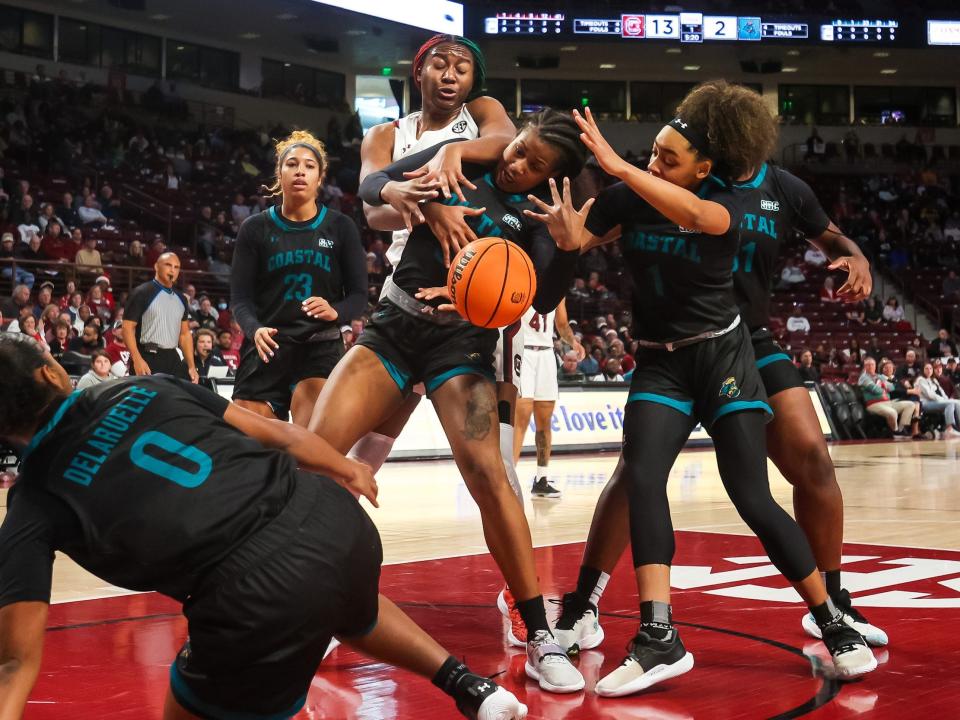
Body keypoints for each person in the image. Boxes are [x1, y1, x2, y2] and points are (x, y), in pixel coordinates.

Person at [0, 337, 527, 720]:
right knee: (346, 603)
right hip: (333, 517)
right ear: (50, 373)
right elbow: (279, 433)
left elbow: (16, 661)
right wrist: (346, 468)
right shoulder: (142, 385)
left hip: (251, 595)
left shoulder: (31, 502)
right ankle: (473, 690)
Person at [553, 86, 875, 696]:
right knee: (636, 473)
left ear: (715, 151)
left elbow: (831, 237)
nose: (657, 160)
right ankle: (591, 605)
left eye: (672, 152)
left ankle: (833, 605)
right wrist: (568, 231)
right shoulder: (657, 189)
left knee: (803, 462)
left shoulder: (775, 191)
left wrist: (854, 256)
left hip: (744, 338)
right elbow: (582, 235)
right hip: (668, 349)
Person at [314, 109, 593, 694]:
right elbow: (368, 186)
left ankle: (540, 635)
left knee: (491, 476)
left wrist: (566, 249)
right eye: (518, 149)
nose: (517, 165)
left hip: (462, 349)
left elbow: (540, 293)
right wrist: (420, 200)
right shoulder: (460, 158)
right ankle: (304, 602)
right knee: (311, 459)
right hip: (392, 329)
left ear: (553, 176)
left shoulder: (540, 215)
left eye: (534, 164)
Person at [348, 32, 517, 499]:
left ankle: (516, 563)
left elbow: (505, 141)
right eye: (440, 65)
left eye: (461, 69)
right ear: (419, 70)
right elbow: (373, 211)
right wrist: (429, 208)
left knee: (493, 464)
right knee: (375, 438)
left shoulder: (482, 113)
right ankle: (337, 518)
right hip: (407, 284)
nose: (450, 75)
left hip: (475, 292)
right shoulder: (384, 135)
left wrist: (452, 153)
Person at [229, 130, 366, 426]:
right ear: (280, 173)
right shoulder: (254, 228)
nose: (300, 170)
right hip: (269, 344)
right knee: (251, 444)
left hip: (319, 345)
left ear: (320, 176)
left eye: (309, 165)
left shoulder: (341, 227)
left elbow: (358, 296)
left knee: (310, 444)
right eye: (291, 164)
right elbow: (240, 299)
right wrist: (254, 330)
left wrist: (336, 311)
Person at [512, 299, 583, 499]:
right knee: (521, 418)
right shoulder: (522, 280)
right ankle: (509, 479)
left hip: (546, 354)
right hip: (523, 351)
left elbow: (561, 324)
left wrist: (573, 342)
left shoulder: (557, 290)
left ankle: (541, 480)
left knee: (545, 421)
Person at [122, 253, 197, 382]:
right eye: (168, 265)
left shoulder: (182, 299)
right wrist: (137, 359)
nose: (172, 270)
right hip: (147, 355)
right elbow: (127, 328)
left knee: (174, 400)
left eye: (176, 267)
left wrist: (191, 366)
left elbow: (184, 334)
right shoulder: (141, 292)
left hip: (172, 357)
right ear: (156, 267)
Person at [861, 356, 920, 437]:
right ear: (865, 366)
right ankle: (895, 431)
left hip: (888, 402)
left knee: (911, 404)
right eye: (868, 365)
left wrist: (883, 386)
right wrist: (884, 386)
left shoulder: (879, 376)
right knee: (892, 412)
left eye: (872, 364)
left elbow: (892, 387)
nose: (871, 366)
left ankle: (901, 430)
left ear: (875, 365)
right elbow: (876, 390)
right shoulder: (864, 378)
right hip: (874, 404)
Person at [917, 362, 960, 438]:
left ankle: (957, 427)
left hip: (935, 402)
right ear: (923, 370)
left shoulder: (933, 380)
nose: (929, 370)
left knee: (957, 402)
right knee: (949, 404)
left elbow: (942, 392)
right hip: (925, 404)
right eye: (926, 368)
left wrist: (946, 399)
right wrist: (944, 400)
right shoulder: (921, 380)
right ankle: (949, 429)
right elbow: (929, 395)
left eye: (930, 368)